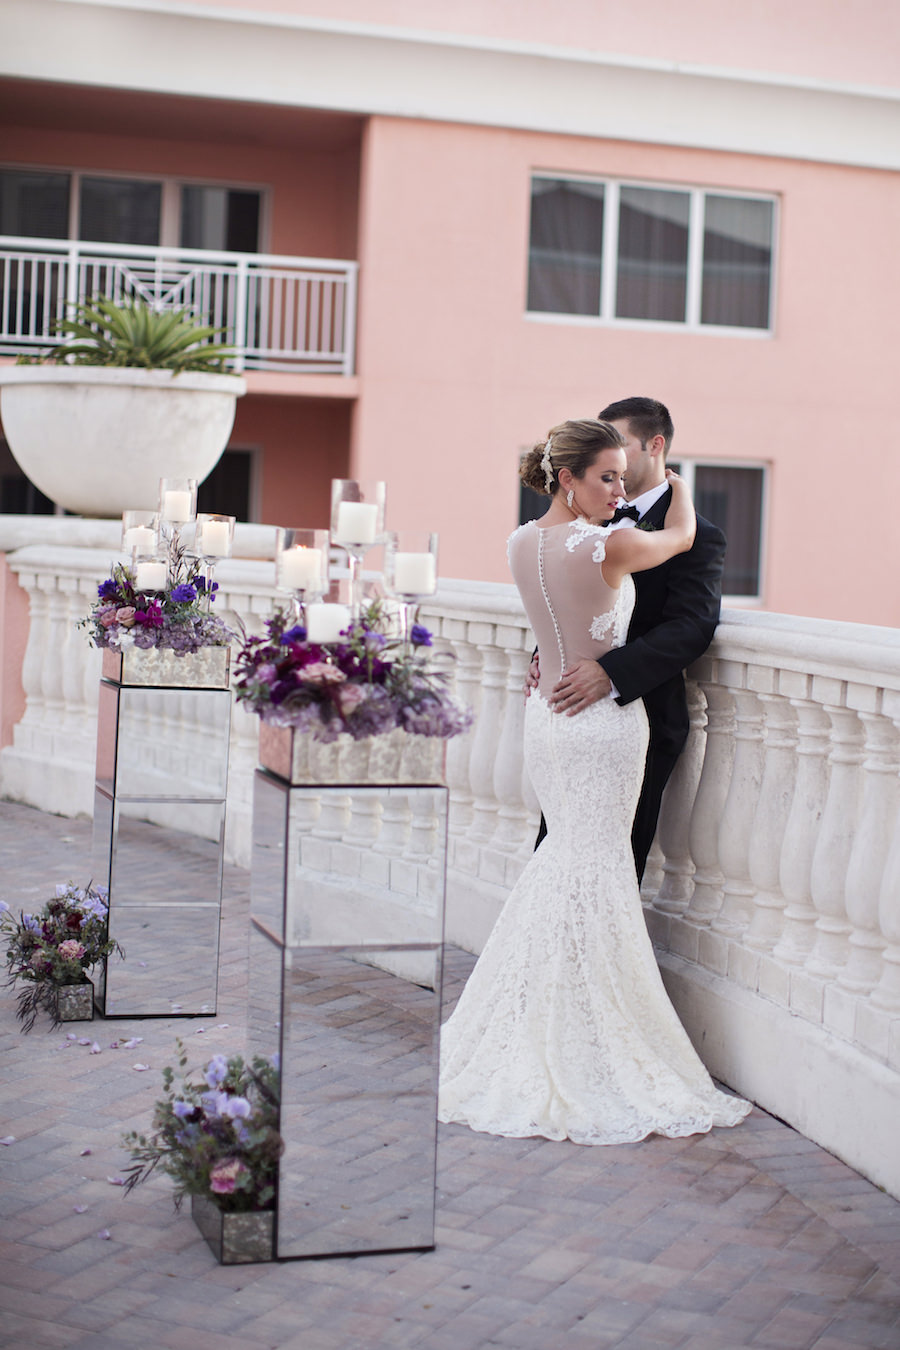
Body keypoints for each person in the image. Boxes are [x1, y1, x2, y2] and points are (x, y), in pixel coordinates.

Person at [438, 419, 750, 1145]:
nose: (617, 489)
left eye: (622, 476)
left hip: (547, 719)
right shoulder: (607, 543)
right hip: (602, 727)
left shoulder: (522, 542)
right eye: (606, 477)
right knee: (596, 865)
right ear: (568, 480)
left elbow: (554, 624)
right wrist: (675, 486)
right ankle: (585, 1026)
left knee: (567, 860)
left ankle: (538, 1012)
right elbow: (677, 539)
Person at [539, 396, 726, 882]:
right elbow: (569, 600)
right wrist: (545, 652)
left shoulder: (698, 534)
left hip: (638, 717)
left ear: (654, 444)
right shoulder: (590, 520)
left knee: (613, 863)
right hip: (571, 714)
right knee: (555, 847)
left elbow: (692, 625)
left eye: (618, 442)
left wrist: (611, 673)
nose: (610, 457)